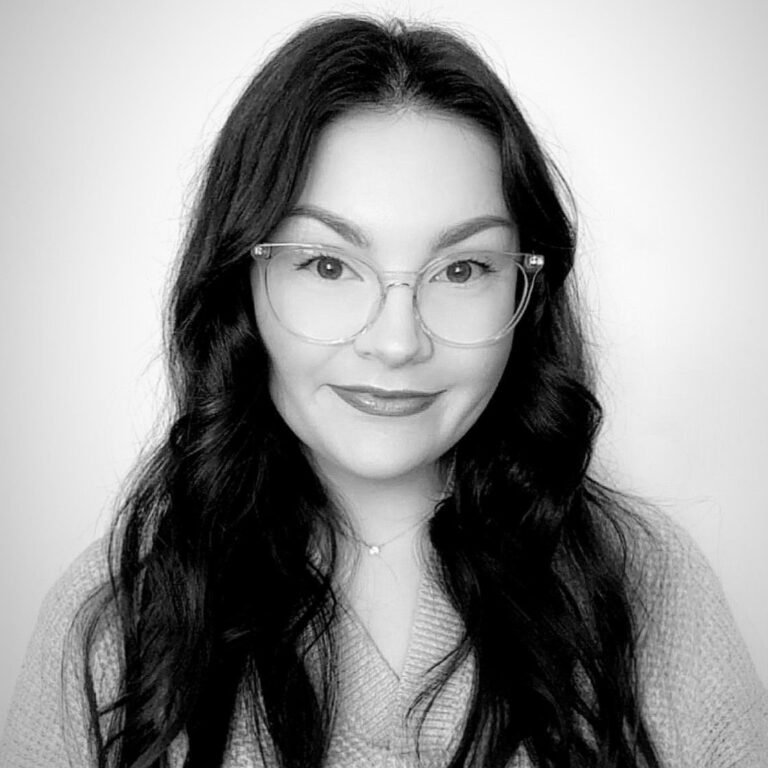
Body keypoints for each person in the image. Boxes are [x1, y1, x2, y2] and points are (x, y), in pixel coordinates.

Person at [1, 14, 766, 768]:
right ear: (243, 284)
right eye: (328, 265)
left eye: (462, 269)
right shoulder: (115, 620)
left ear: (523, 293)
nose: (398, 342)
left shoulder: (649, 588)